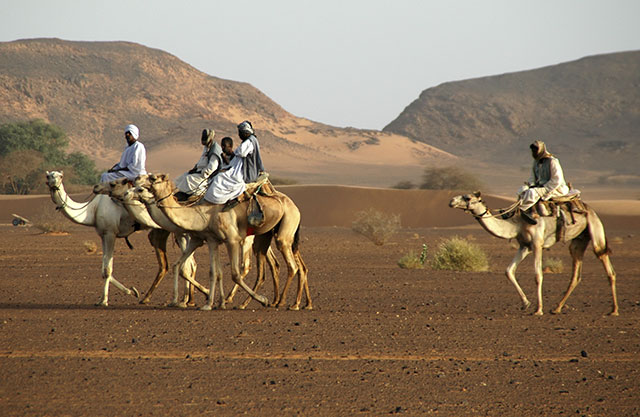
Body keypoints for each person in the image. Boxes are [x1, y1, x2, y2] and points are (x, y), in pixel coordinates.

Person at [517, 140, 570, 225]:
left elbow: (557, 180)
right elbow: (532, 177)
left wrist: (543, 188)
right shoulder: (536, 162)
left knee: (532, 192)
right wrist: (531, 185)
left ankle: (524, 210)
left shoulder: (552, 161)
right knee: (522, 190)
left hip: (555, 188)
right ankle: (519, 210)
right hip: (540, 187)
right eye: (533, 150)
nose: (534, 152)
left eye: (535, 150)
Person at [174, 129, 223, 201]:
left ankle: (190, 195)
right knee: (183, 176)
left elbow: (212, 168)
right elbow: (201, 161)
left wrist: (200, 172)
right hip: (199, 172)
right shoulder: (207, 147)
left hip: (206, 177)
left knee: (188, 179)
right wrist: (195, 168)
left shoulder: (215, 150)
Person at [203, 137, 246, 207]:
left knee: (218, 180)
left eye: (224, 146)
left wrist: (225, 160)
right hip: (223, 175)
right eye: (222, 146)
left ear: (230, 147)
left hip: (231, 178)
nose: (222, 148)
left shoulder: (235, 156)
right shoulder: (222, 155)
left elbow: (232, 168)